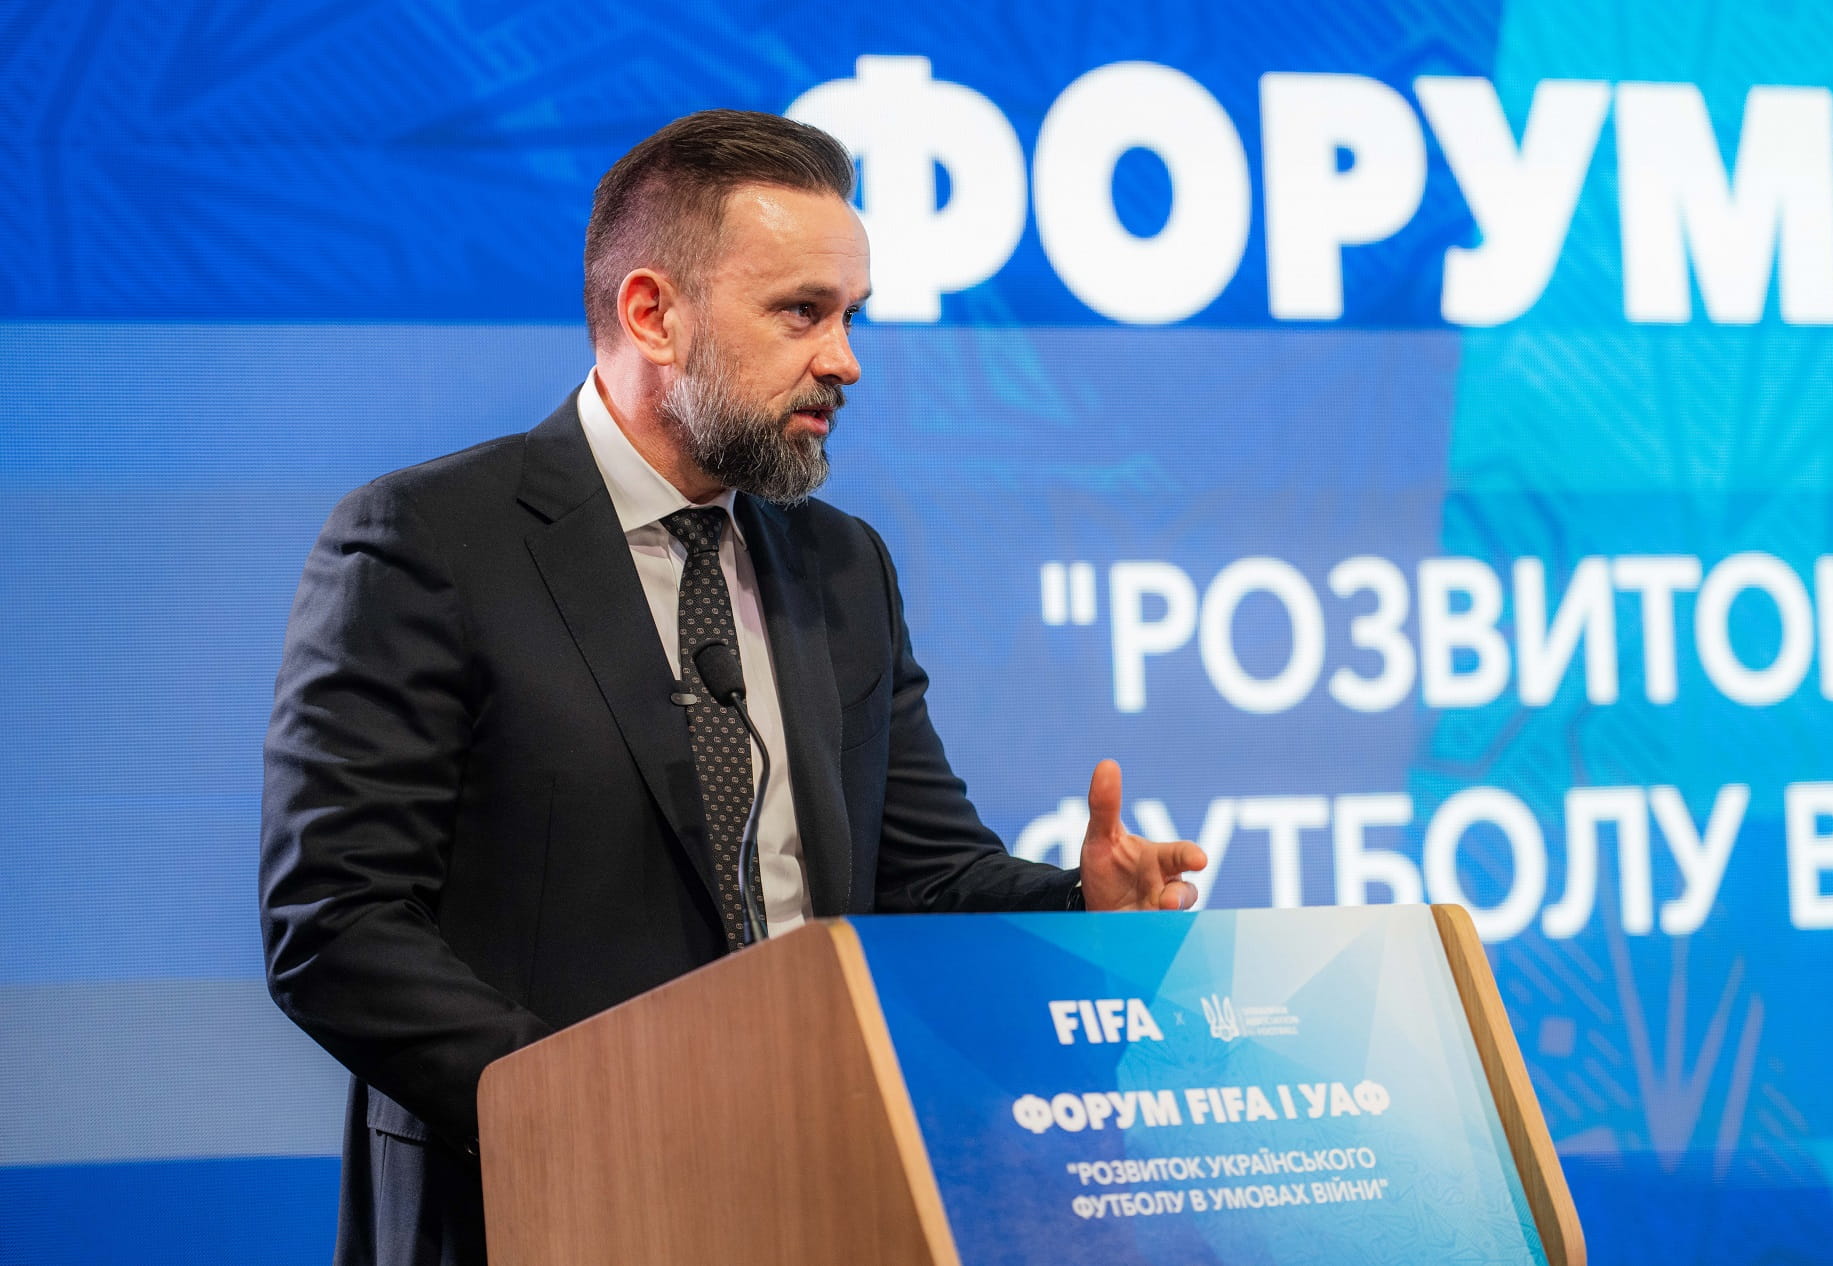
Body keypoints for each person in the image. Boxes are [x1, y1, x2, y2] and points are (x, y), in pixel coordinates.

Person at [260, 108, 1205, 1266]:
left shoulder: (841, 564)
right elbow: (337, 926)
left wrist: (1077, 909)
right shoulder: (430, 541)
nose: (845, 359)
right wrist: (590, 1107)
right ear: (652, 314)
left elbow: (920, 873)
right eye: (802, 312)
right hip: (538, 1204)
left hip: (819, 1191)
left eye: (850, 315)